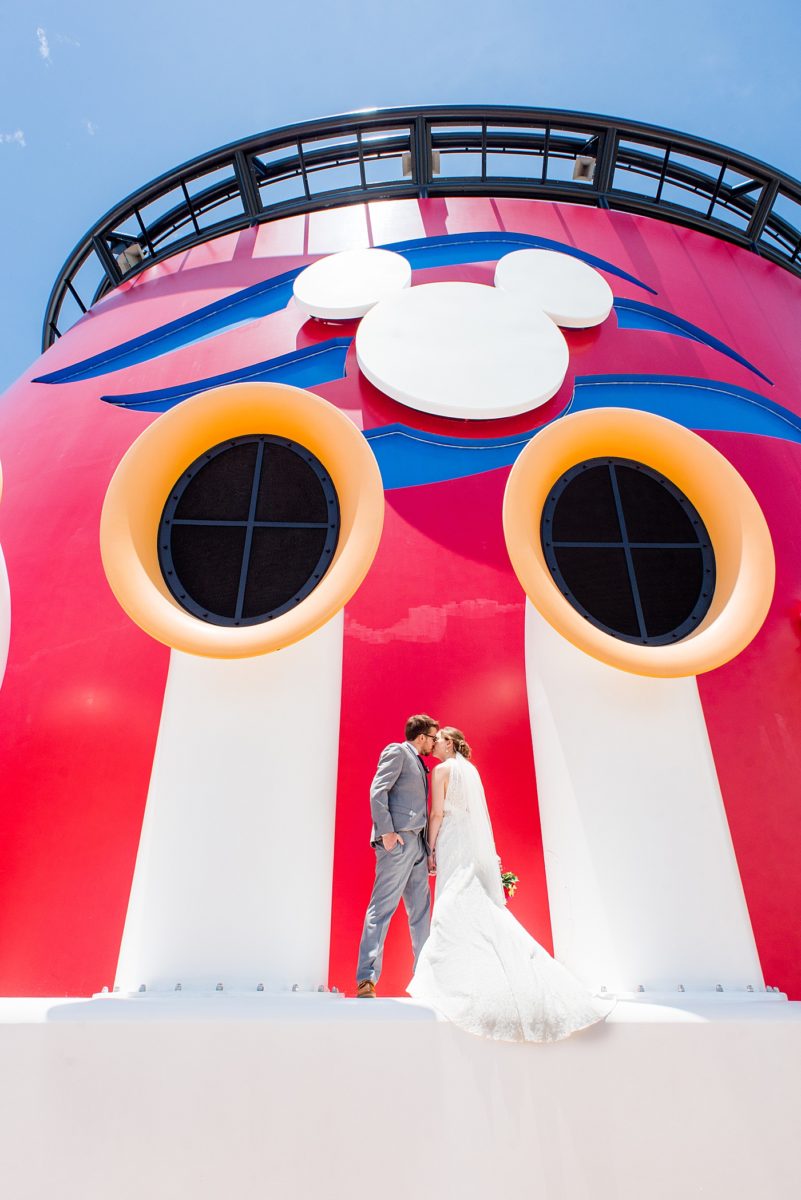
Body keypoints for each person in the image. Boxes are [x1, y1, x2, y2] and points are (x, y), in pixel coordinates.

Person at [408, 726, 609, 1042]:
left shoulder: (443, 770)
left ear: (449, 743)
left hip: (450, 840)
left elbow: (436, 814)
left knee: (450, 898)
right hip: (470, 843)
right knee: (470, 898)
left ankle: (449, 977)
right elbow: (477, 816)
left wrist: (431, 849)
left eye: (438, 740)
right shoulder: (470, 771)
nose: (433, 745)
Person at [356, 714, 440, 998]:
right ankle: (366, 978)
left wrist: (427, 850)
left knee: (421, 914)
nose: (434, 743)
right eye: (432, 737)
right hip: (398, 842)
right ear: (420, 737)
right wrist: (387, 833)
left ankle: (424, 978)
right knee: (381, 909)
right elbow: (378, 790)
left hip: (417, 845)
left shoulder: (419, 762)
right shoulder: (397, 751)